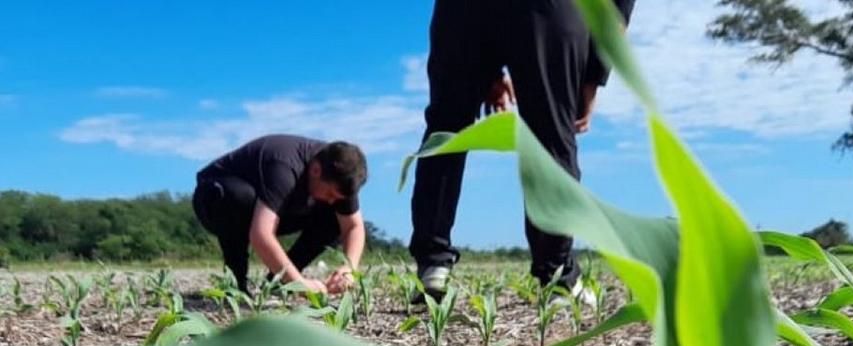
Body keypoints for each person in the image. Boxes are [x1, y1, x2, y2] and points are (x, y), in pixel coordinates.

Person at [408, 0, 636, 304]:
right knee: (551, 137)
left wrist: (486, 66)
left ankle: (432, 264)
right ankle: (556, 275)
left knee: (446, 129)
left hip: (461, 12)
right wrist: (594, 71)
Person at [192, 136, 369, 295]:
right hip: (215, 198)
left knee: (335, 218)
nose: (332, 201)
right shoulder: (285, 166)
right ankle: (236, 283)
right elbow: (261, 235)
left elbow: (353, 226)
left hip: (269, 207)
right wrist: (300, 284)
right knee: (239, 198)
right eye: (330, 194)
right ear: (316, 170)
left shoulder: (343, 174)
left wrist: (349, 268)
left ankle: (277, 282)